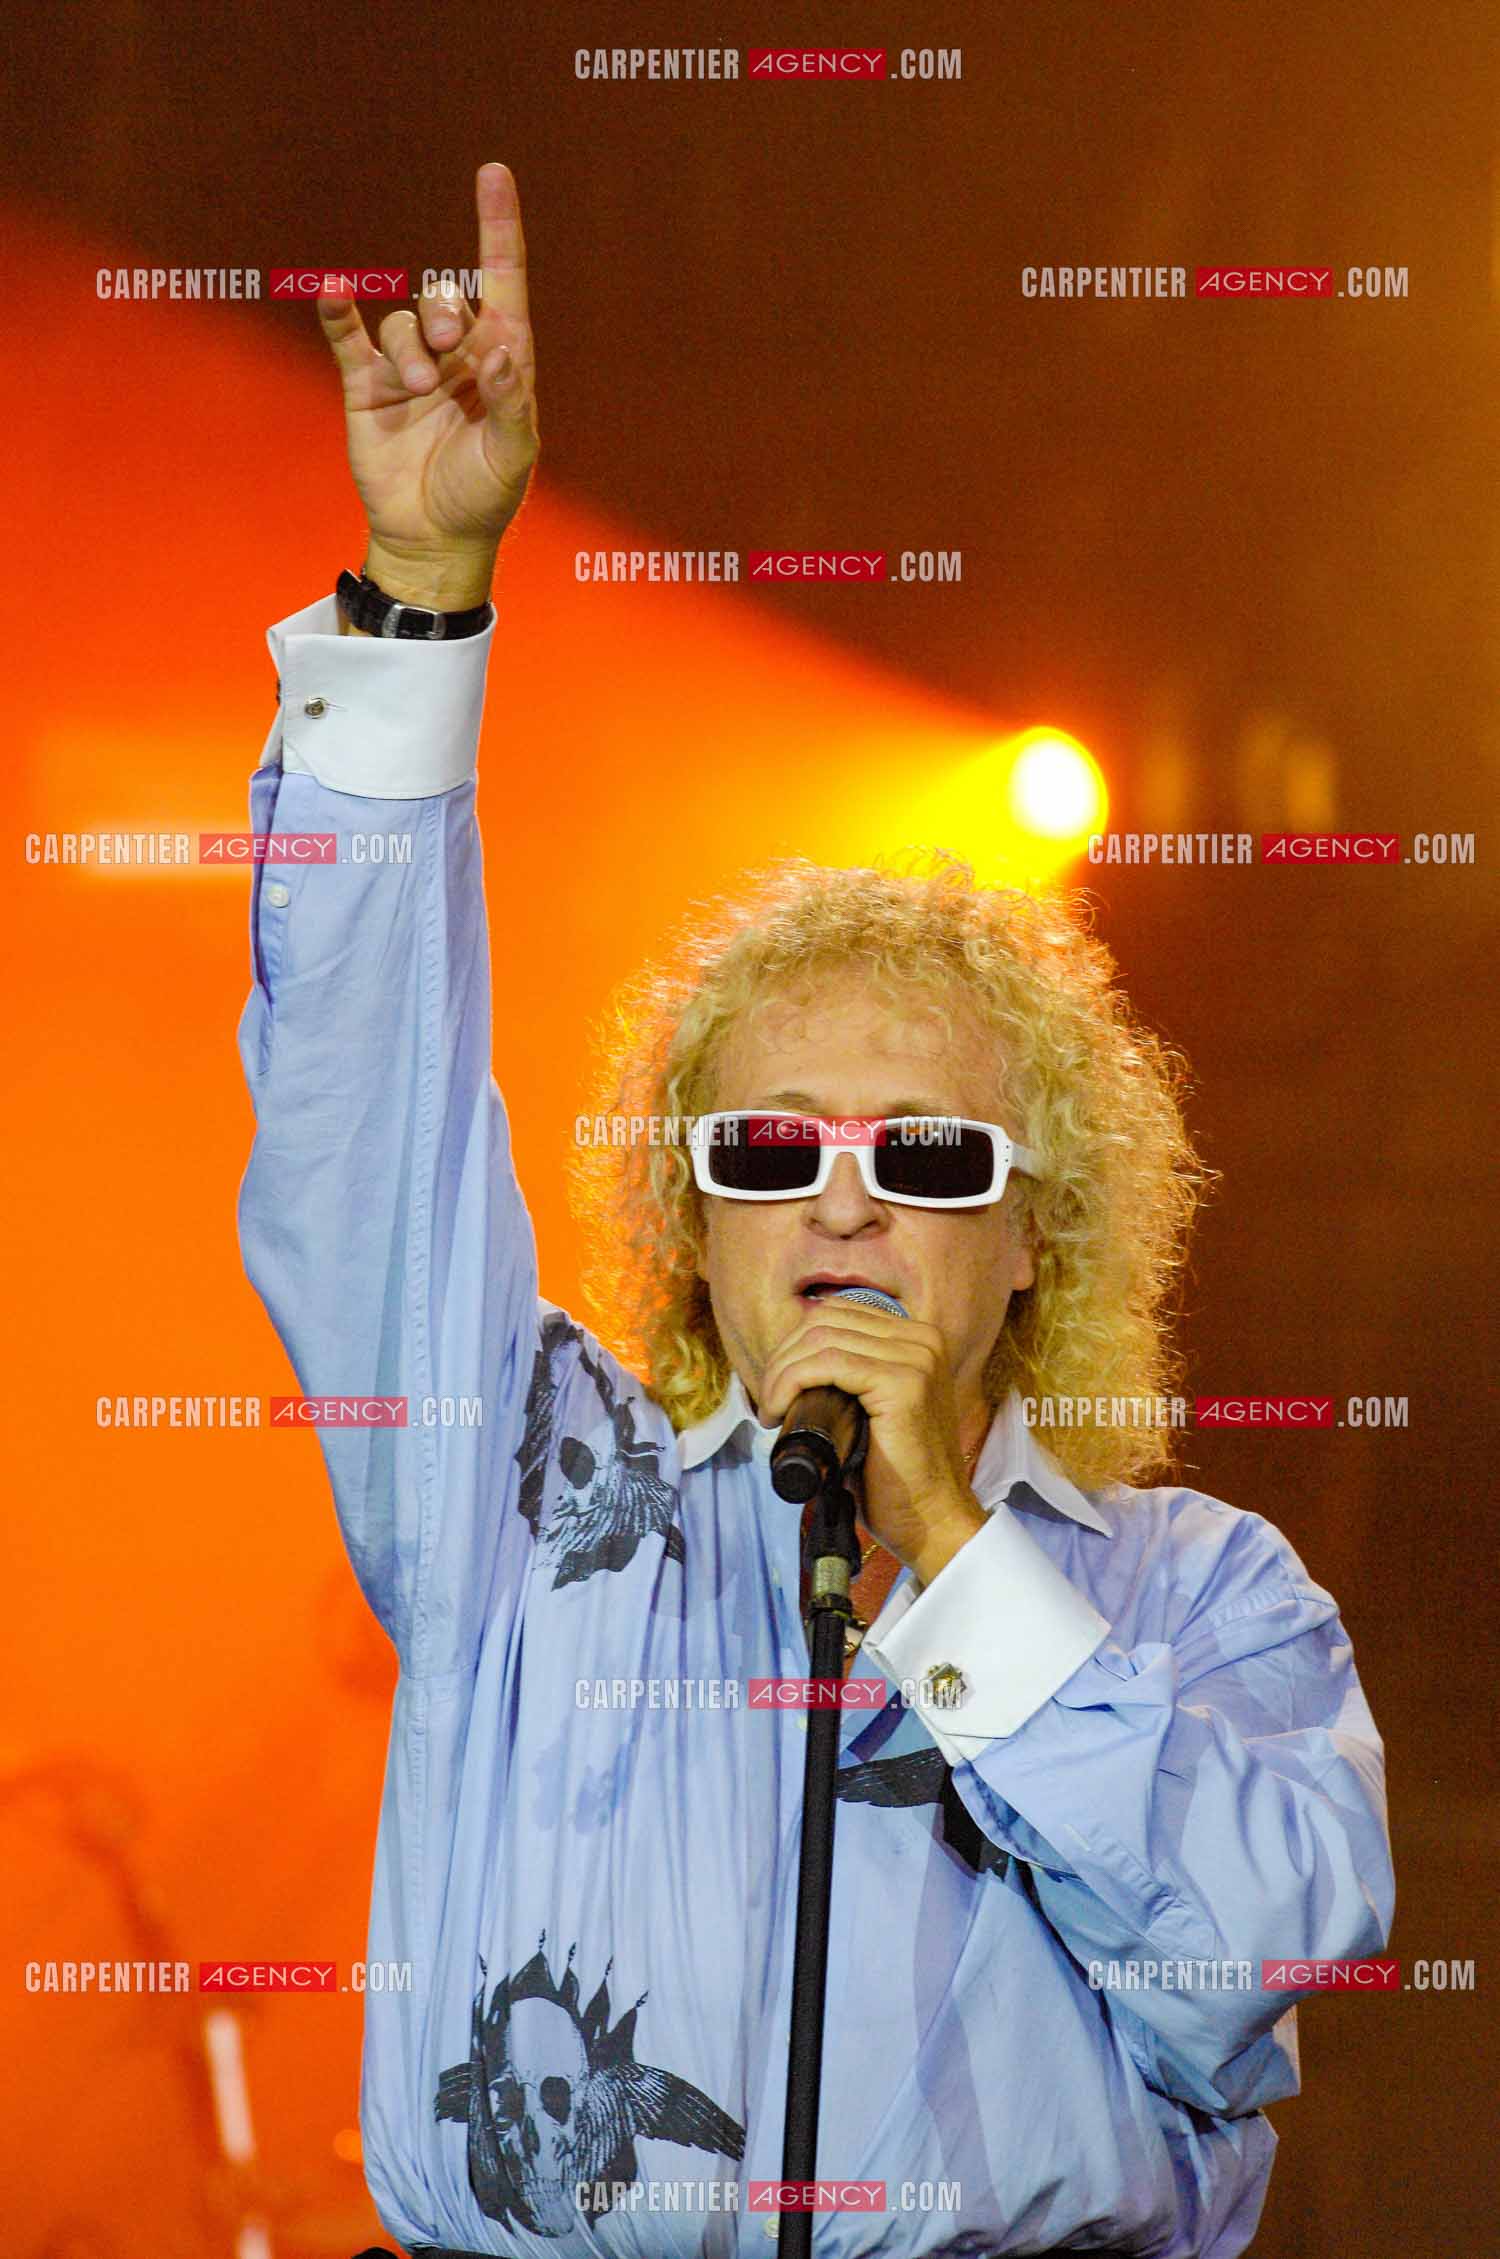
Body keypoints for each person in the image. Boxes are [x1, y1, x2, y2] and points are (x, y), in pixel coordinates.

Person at [237, 162, 1393, 2259]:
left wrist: (946, 1539)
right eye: (769, 1151)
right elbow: (356, 1131)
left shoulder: (1209, 1600)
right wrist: (418, 591)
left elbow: (1248, 1968)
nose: (842, 1201)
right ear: (693, 1223)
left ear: (1038, 1235)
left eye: (926, 1157)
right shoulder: (526, 1504)